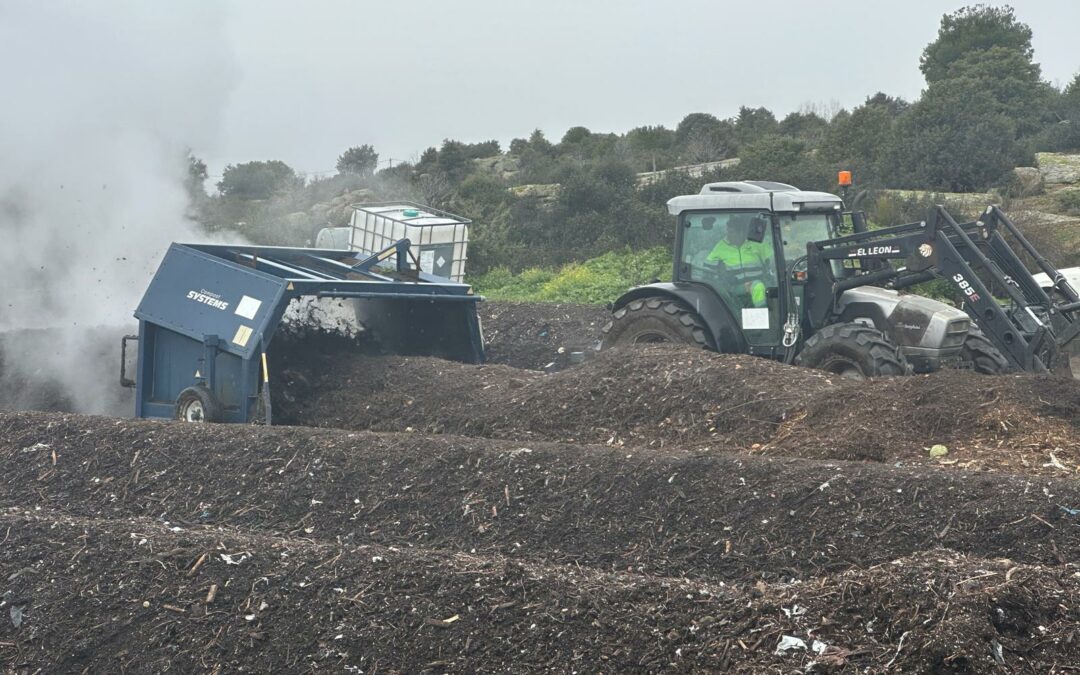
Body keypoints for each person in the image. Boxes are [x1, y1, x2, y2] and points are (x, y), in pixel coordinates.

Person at [706, 215, 774, 308]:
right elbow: (707, 268)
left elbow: (772, 261)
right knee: (757, 286)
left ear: (741, 233)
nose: (728, 235)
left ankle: (760, 312)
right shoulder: (721, 246)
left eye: (731, 232)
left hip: (758, 283)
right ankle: (760, 314)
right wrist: (720, 281)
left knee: (759, 286)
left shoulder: (756, 242)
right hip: (735, 288)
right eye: (727, 232)